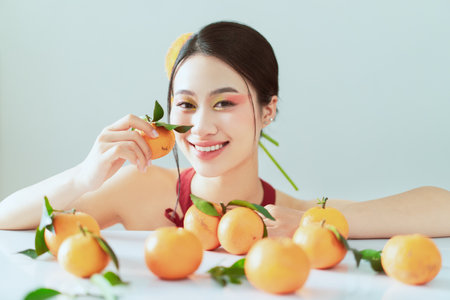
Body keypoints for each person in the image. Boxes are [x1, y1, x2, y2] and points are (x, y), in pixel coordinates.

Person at [0, 21, 449, 239]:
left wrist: (309, 223)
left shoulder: (289, 214)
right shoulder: (141, 190)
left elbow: (441, 208)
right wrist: (83, 176)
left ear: (268, 110)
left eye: (225, 103)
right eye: (187, 105)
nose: (201, 126)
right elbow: (8, 220)